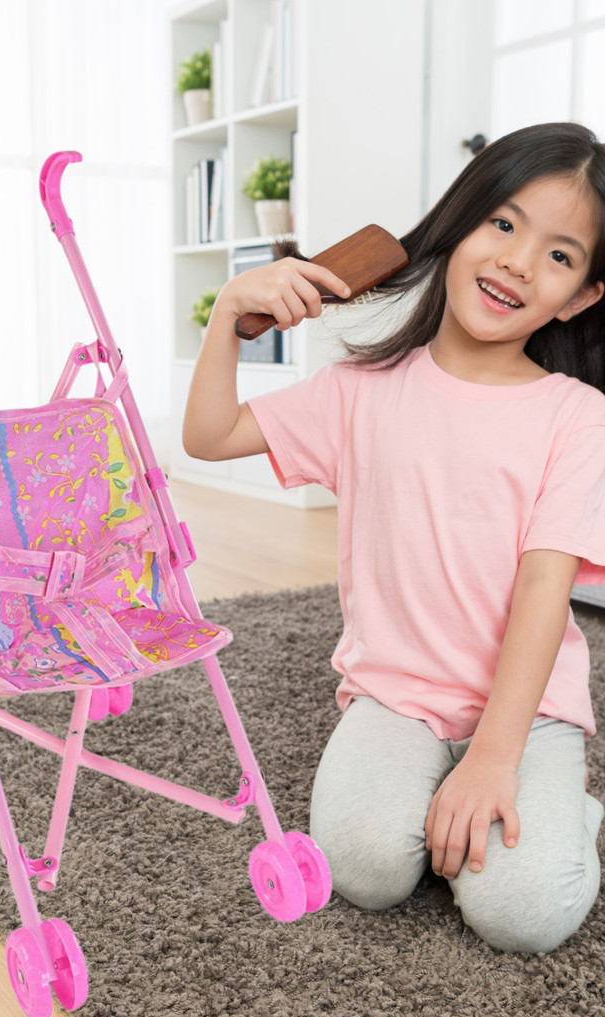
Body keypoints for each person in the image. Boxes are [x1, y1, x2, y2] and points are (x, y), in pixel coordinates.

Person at [183, 122, 605, 953]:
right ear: (460, 222)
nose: (519, 262)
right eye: (504, 223)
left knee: (523, 915)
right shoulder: (359, 391)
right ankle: (448, 790)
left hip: (527, 714)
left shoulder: (578, 417)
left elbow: (542, 588)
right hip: (396, 697)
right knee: (364, 869)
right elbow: (210, 434)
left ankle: (570, 810)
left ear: (581, 297)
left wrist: (492, 760)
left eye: (559, 255)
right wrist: (230, 312)